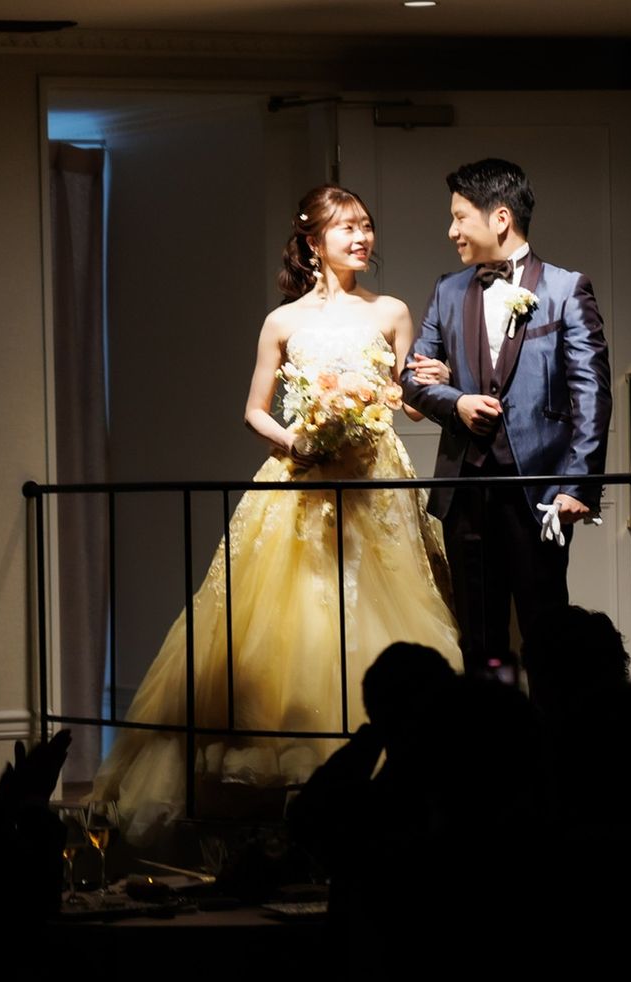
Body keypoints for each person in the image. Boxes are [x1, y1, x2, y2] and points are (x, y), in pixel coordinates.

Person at [93, 186, 462, 845]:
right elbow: (255, 411)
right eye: (347, 228)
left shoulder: (392, 311)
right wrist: (298, 440)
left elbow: (406, 402)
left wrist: (428, 381)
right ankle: (293, 793)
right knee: (293, 618)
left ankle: (391, 782)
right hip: (303, 480)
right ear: (314, 241)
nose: (362, 238)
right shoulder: (283, 322)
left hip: (375, 482)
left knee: (382, 608)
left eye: (366, 226)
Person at [401, 158, 612, 674]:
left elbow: (591, 394)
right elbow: (410, 378)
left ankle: (553, 724)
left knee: (547, 633)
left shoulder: (565, 289)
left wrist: (578, 485)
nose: (451, 231)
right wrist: (456, 401)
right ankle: (490, 726)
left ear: (500, 218)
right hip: (466, 491)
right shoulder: (447, 291)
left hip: (538, 491)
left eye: (459, 217)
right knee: (480, 639)